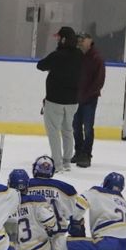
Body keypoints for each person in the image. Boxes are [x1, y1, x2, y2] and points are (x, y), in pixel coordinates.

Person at [27, 155, 78, 250]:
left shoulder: (25, 185)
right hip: (57, 235)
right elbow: (73, 212)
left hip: (33, 236)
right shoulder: (65, 188)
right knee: (58, 248)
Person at [37, 26, 83, 172]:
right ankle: (67, 161)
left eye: (58, 37)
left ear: (63, 39)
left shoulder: (57, 55)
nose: (57, 40)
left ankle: (57, 164)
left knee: (53, 131)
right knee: (68, 130)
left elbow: (40, 65)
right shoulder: (79, 55)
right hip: (72, 101)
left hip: (55, 100)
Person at [73, 32, 106, 168]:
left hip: (89, 100)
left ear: (90, 40)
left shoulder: (96, 58)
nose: (80, 42)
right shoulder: (78, 56)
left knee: (87, 127)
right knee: (76, 127)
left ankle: (86, 154)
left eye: (83, 39)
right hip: (76, 99)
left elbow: (99, 81)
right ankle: (79, 152)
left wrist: (87, 95)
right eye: (79, 39)